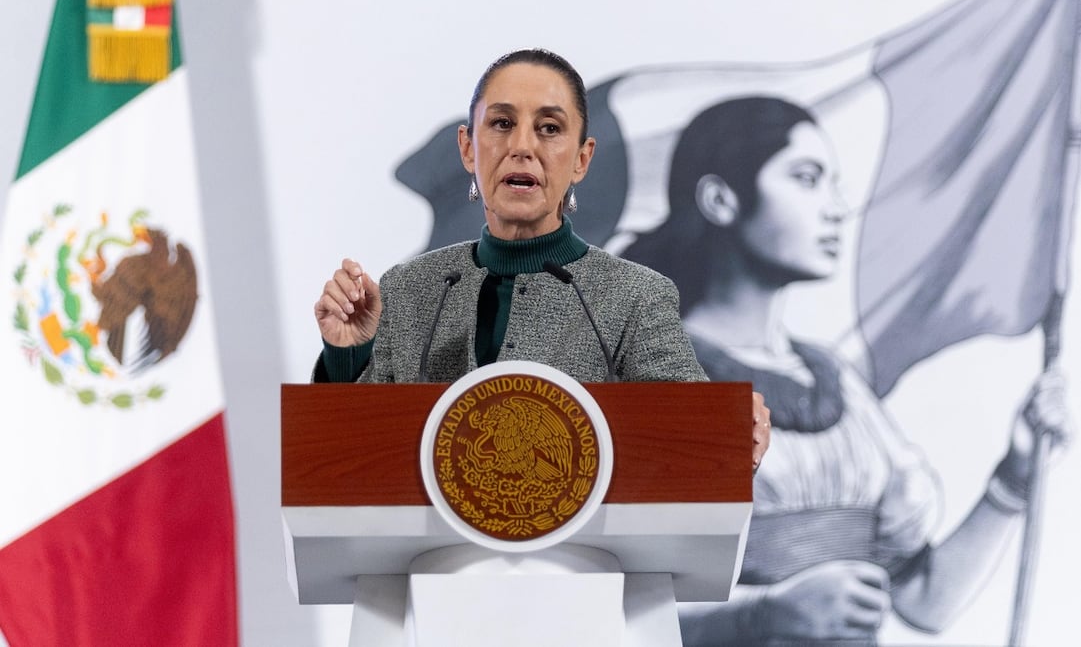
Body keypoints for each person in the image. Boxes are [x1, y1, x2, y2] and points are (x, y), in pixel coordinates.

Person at [622, 96, 1071, 645]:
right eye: (806, 179)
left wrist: (1015, 474)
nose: (835, 208)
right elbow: (621, 617)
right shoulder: (663, 375)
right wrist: (762, 614)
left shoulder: (837, 382)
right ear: (721, 199)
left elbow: (924, 602)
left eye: (833, 183)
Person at [312, 49, 770, 470]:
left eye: (549, 128)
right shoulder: (410, 290)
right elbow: (350, 456)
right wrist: (347, 355)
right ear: (468, 148)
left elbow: (693, 435)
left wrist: (730, 428)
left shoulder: (635, 297)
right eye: (501, 124)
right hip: (437, 559)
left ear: (582, 159)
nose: (523, 147)